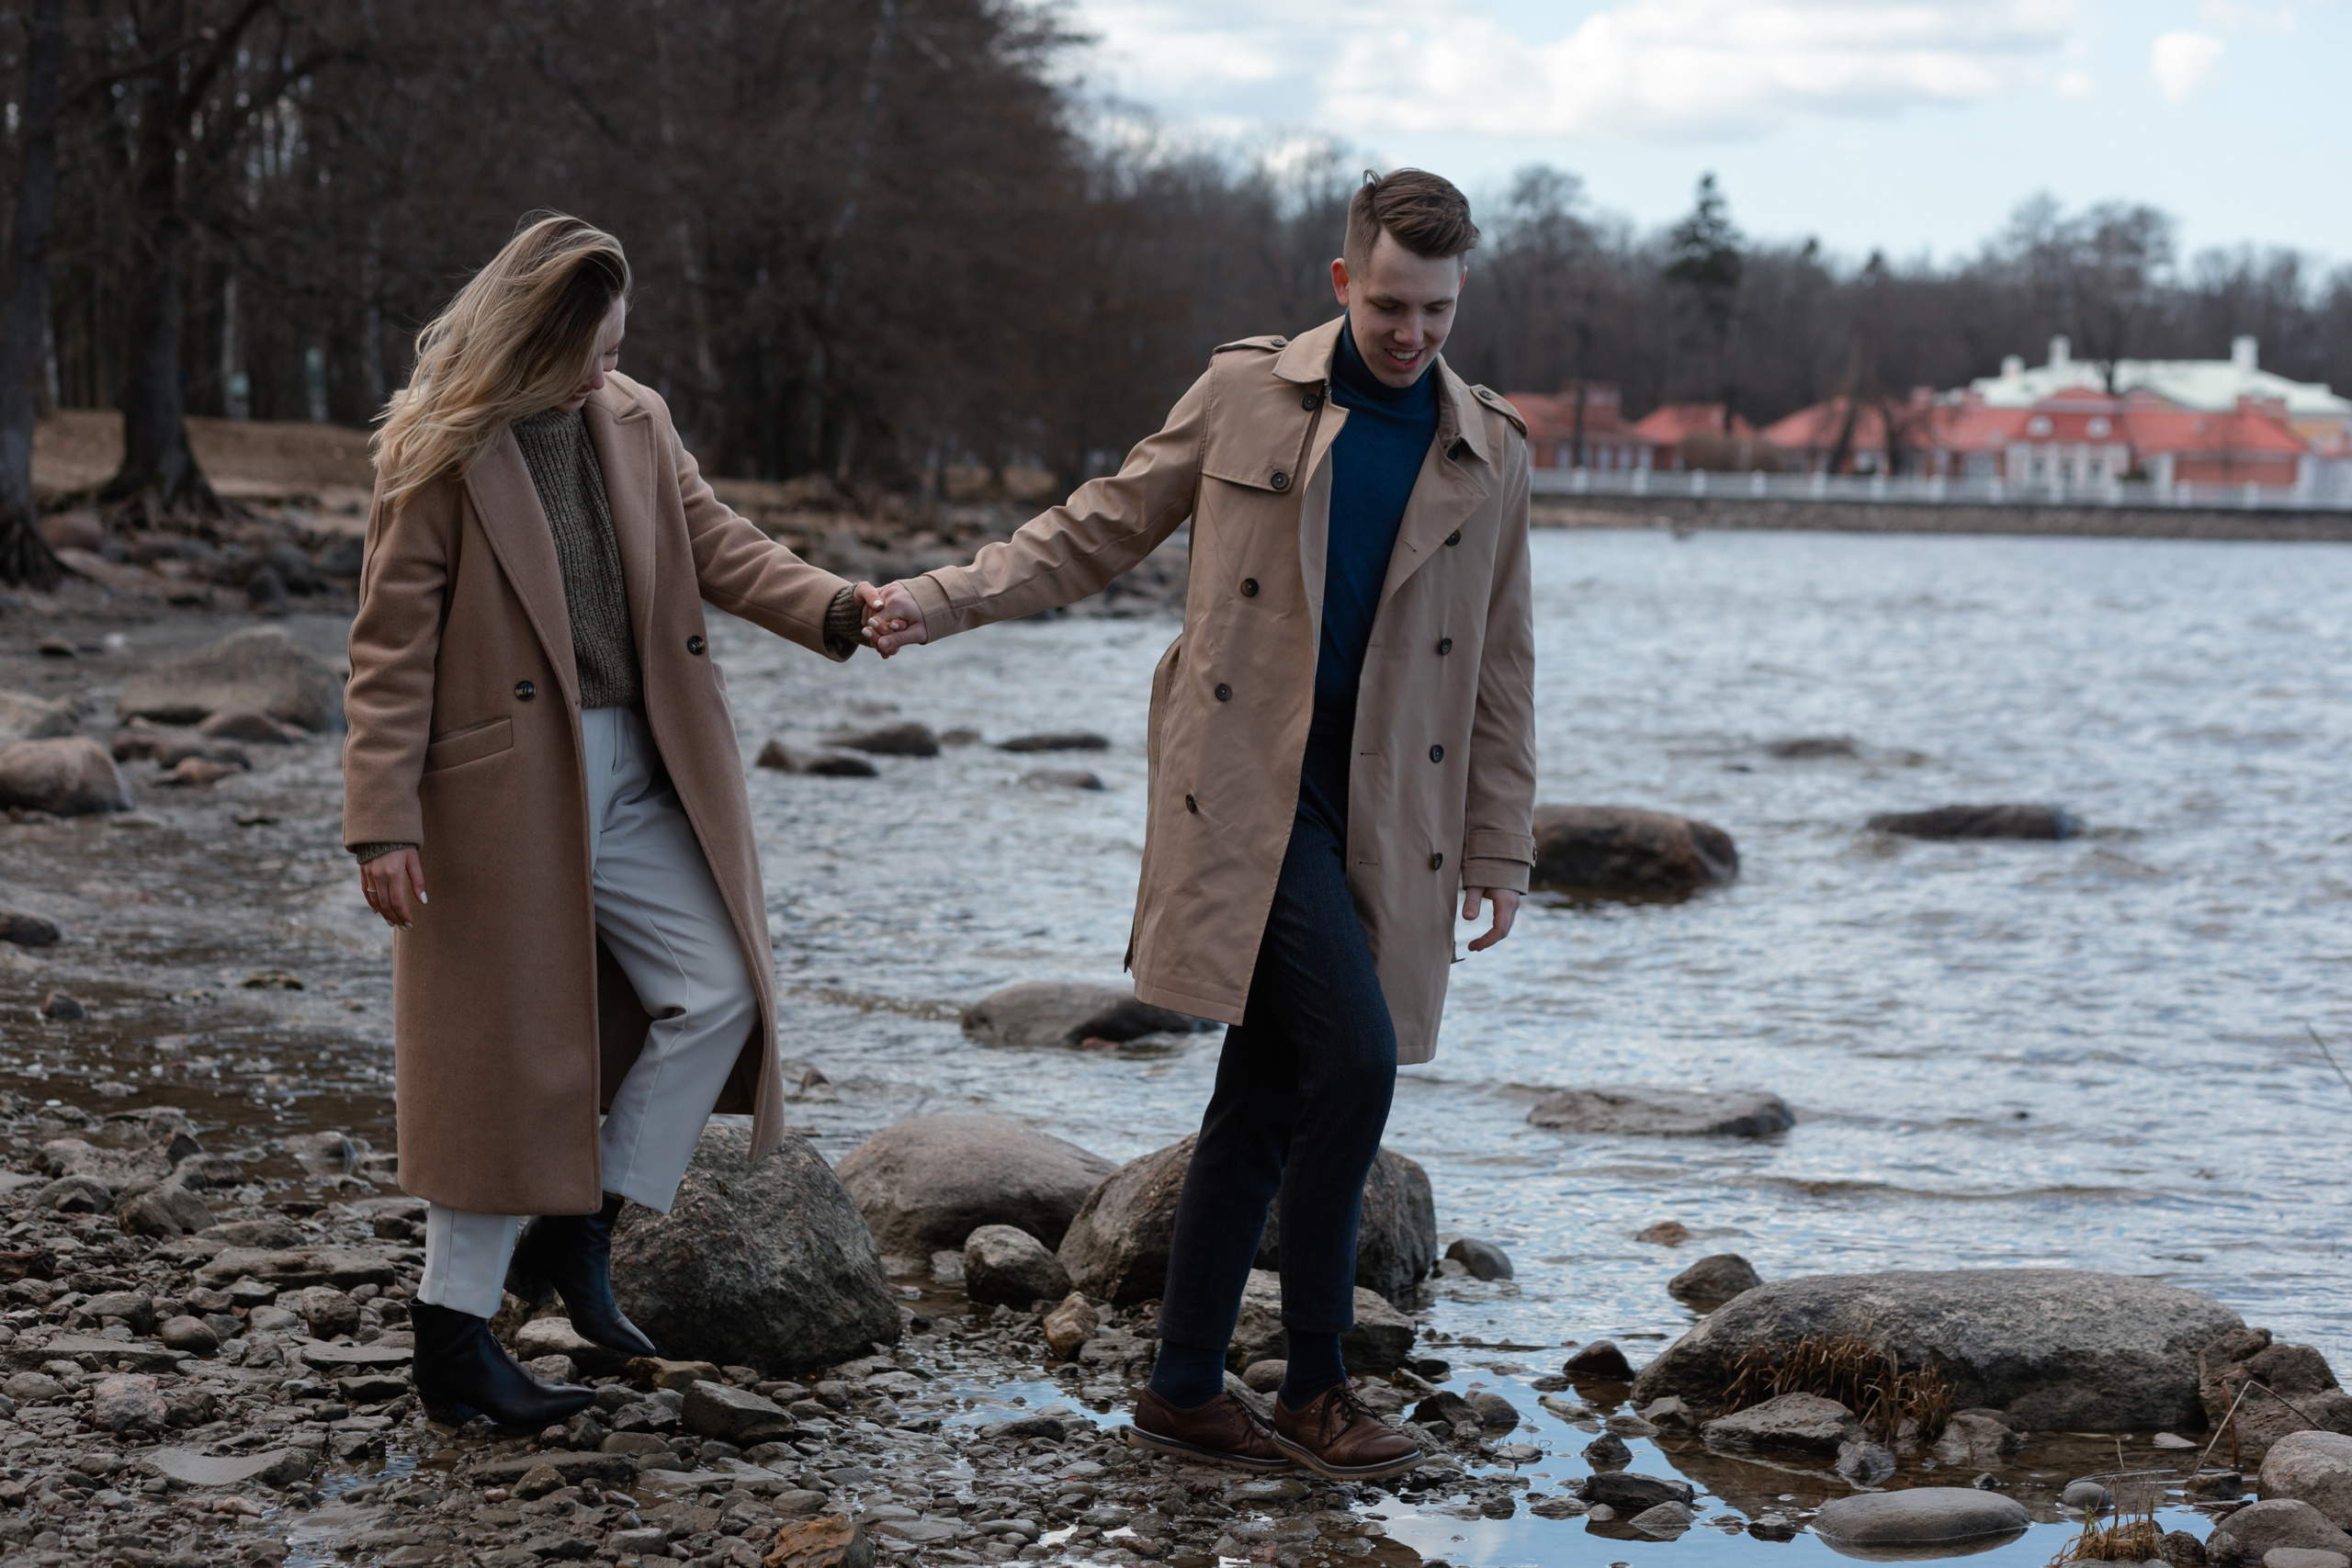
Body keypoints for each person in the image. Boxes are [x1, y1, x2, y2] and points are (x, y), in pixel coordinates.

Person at [860, 169, 1535, 1480]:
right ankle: (1318, 1388)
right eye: (1390, 306)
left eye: (1438, 311)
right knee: (1356, 1064)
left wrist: (1500, 845)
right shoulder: (1245, 392)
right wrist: (939, 600)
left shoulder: (1490, 447)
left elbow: (1502, 664)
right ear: (1344, 282)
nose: (1412, 334)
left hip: (1386, 807)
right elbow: (1099, 527)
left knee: (1267, 1088)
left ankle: (1182, 1387)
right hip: (1244, 794)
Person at [343, 214, 867, 1427]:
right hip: (499, 787)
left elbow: (719, 545)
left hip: (642, 764)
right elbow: (389, 648)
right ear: (527, 342)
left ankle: (582, 1232)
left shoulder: (637, 418)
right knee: (500, 1062)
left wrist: (836, 608)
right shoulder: (441, 444)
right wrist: (382, 820)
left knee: (718, 987)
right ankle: (452, 1342)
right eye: (586, 355)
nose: (605, 374)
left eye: (617, 349)